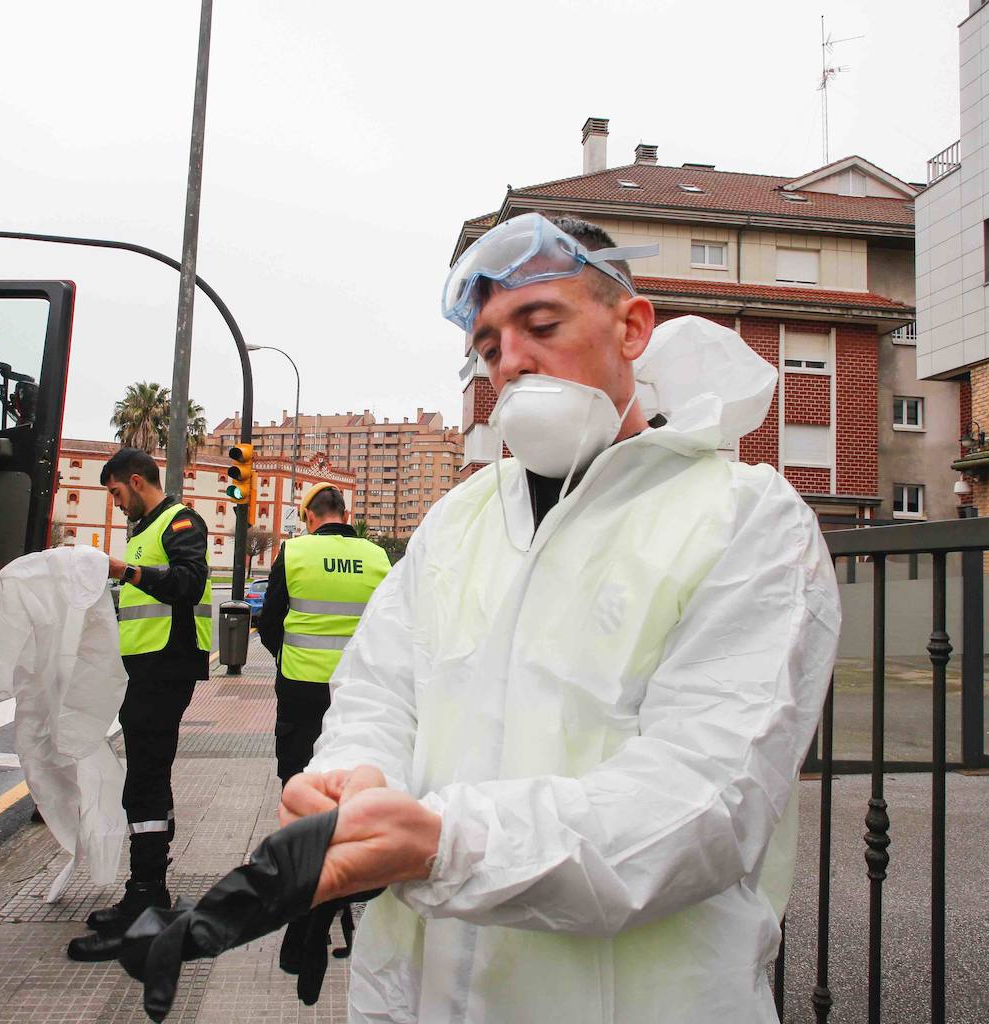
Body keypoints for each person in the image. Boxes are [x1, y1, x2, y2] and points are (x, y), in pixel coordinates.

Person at [278, 212, 841, 1022]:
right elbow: (378, 695)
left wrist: (445, 843)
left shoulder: (743, 519)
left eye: (540, 324)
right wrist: (358, 779)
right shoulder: (459, 521)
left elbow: (703, 801)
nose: (511, 362)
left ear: (632, 327)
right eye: (488, 347)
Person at [68, 448, 213, 962]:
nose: (114, 503)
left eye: (115, 493)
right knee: (149, 776)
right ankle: (148, 889)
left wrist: (123, 570)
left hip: (166, 667)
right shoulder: (146, 530)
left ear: (135, 481)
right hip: (145, 669)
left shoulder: (180, 522)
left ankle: (146, 897)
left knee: (146, 779)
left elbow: (189, 583)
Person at [256, 482, 390, 972]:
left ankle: (305, 908)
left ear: (309, 515)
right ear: (344, 512)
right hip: (357, 694)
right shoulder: (377, 558)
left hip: (302, 691)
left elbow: (269, 623)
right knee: (351, 795)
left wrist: (290, 658)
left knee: (301, 792)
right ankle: (346, 895)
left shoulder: (295, 552)